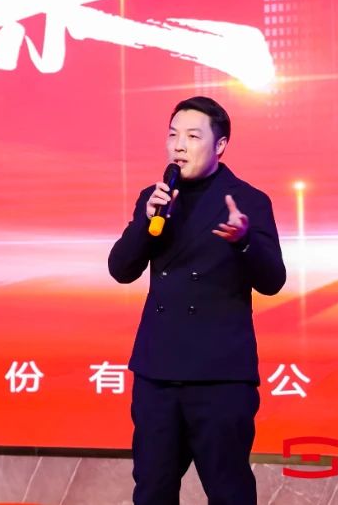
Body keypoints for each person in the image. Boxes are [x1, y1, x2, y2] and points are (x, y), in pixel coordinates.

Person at [108, 96, 286, 505]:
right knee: (152, 491)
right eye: (173, 135)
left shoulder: (248, 201)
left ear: (220, 145)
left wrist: (244, 241)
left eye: (192, 136)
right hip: (157, 374)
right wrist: (146, 224)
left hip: (220, 377)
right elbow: (121, 269)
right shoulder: (154, 198)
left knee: (229, 493)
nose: (179, 146)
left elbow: (273, 281)